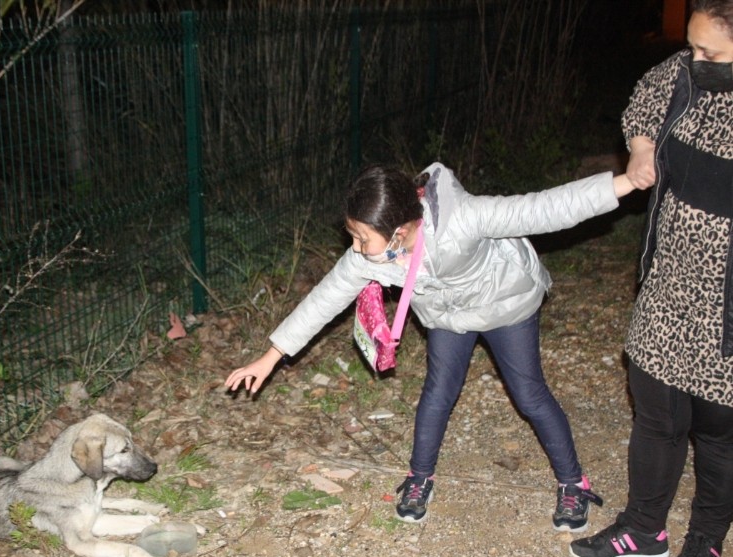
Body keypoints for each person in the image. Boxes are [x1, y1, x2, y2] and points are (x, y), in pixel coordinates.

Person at [225, 162, 635, 531]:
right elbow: (324, 298)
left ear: (399, 230)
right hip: (448, 316)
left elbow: (547, 207)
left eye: (361, 238)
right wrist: (271, 355)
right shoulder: (372, 255)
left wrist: (626, 182)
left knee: (529, 394)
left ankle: (573, 483)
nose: (355, 247)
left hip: (505, 303)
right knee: (438, 392)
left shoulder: (464, 218)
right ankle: (420, 477)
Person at [570, 0, 733, 557]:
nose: (693, 59)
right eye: (692, 46)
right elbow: (646, 92)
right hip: (669, 283)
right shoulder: (685, 73)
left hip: (729, 306)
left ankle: (707, 538)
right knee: (657, 412)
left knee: (719, 429)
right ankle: (643, 529)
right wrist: (641, 147)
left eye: (709, 52)